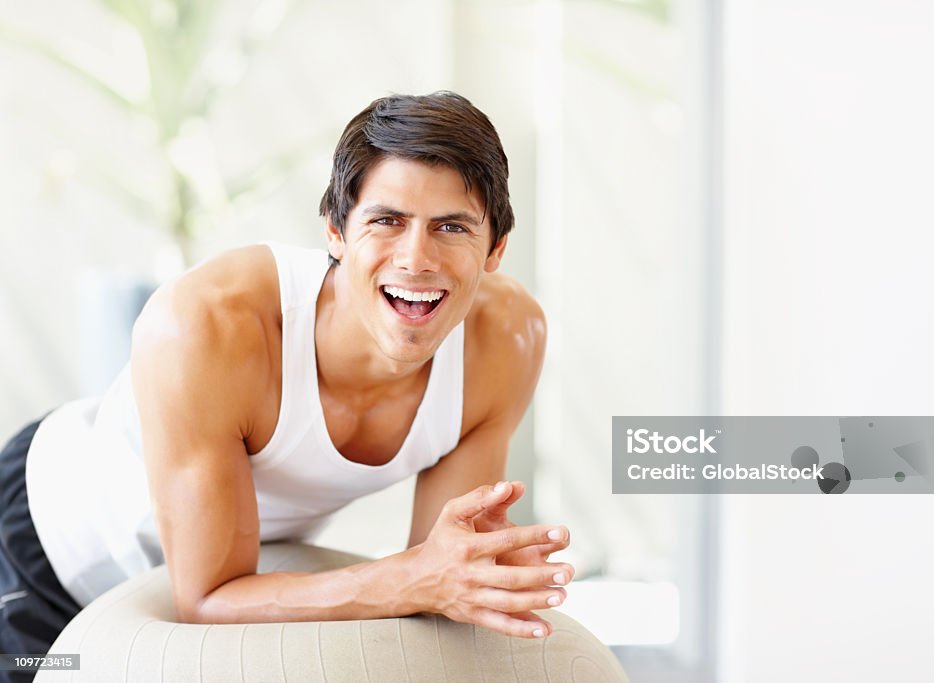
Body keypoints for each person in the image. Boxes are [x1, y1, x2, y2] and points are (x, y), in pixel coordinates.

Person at [0, 92, 573, 671]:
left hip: (234, 578)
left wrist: (479, 566)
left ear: (496, 248)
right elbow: (206, 597)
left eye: (451, 227)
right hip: (45, 545)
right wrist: (414, 577)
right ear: (335, 232)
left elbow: (435, 577)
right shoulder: (210, 323)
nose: (416, 258)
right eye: (386, 221)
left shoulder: (507, 340)